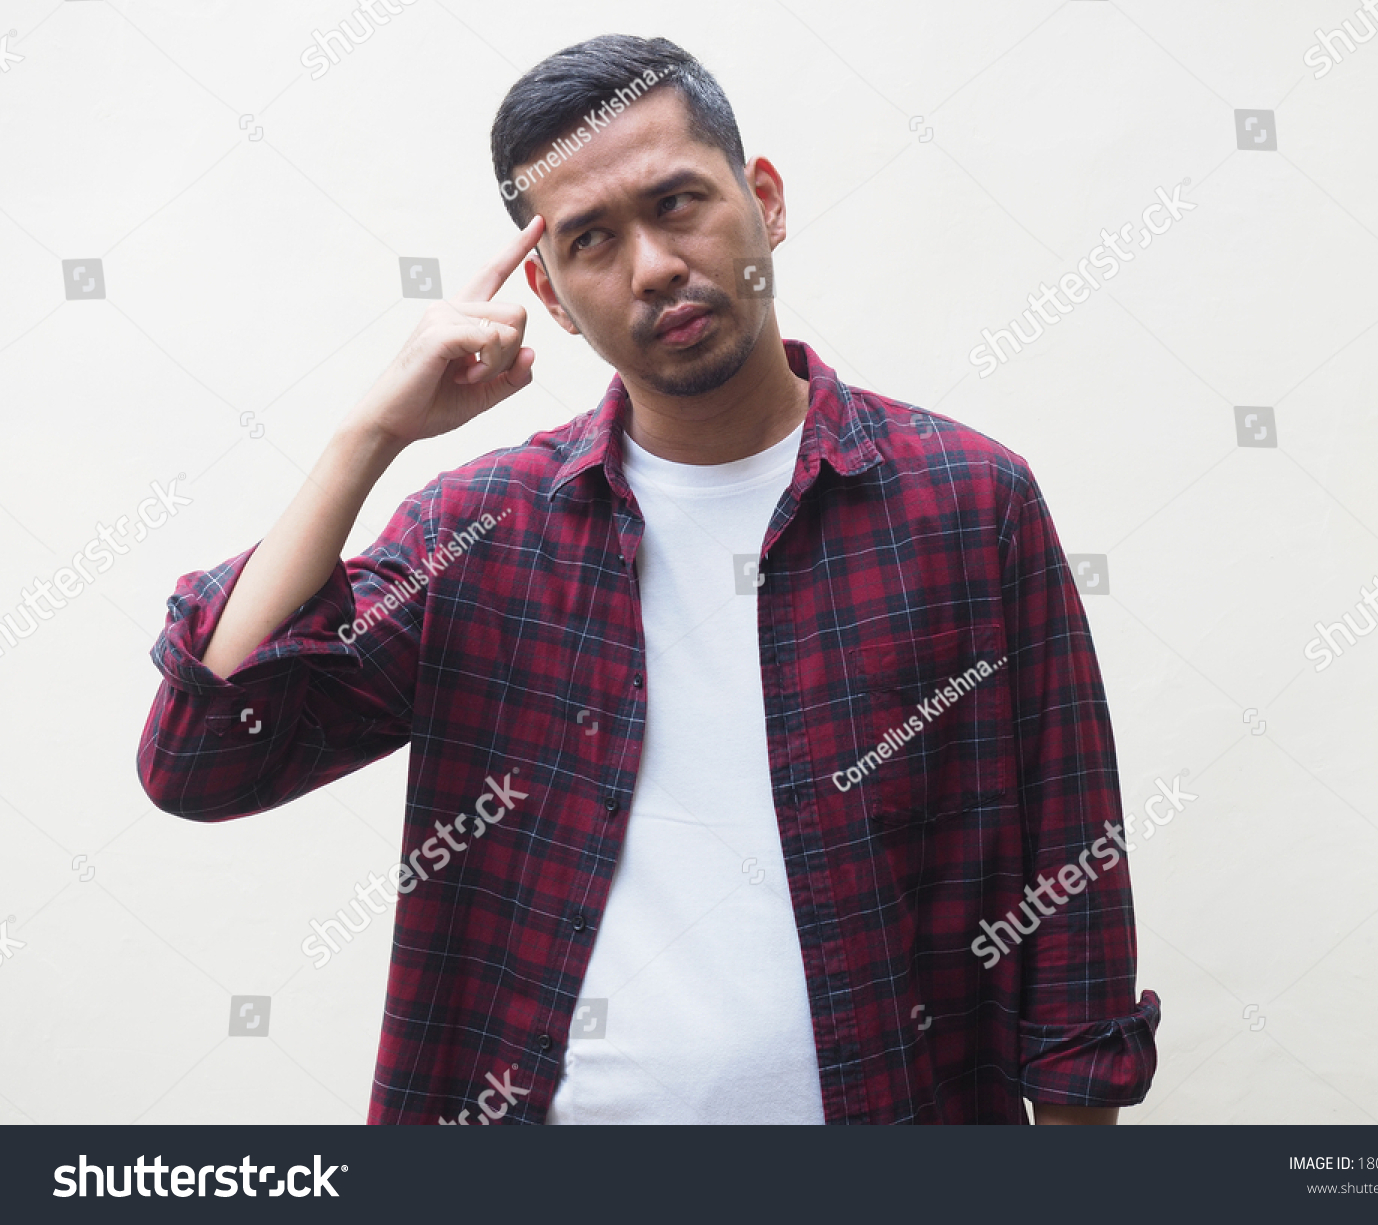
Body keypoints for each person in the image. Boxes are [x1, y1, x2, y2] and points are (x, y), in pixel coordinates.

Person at [138, 34, 1159, 1125]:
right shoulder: (484, 530)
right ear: (553, 294)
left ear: (763, 199)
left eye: (677, 204)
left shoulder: (965, 502)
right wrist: (368, 436)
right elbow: (204, 760)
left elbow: (1072, 882)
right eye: (591, 240)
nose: (654, 265)